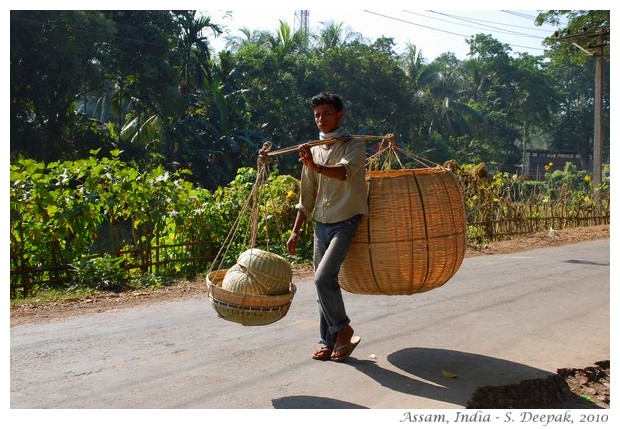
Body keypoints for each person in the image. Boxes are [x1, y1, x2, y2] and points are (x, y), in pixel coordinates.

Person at [286, 91, 368, 362]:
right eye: (317, 115)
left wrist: (315, 165)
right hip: (321, 223)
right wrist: (296, 230)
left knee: (323, 277)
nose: (321, 119)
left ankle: (344, 329)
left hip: (346, 220)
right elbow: (306, 195)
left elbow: (345, 173)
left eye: (327, 114)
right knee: (322, 282)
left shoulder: (353, 144)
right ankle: (328, 339)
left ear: (339, 115)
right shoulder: (312, 150)